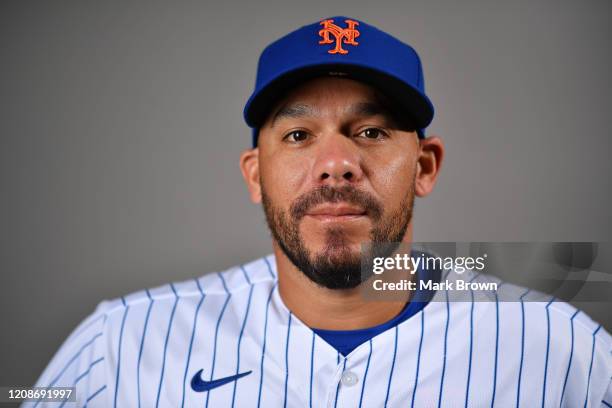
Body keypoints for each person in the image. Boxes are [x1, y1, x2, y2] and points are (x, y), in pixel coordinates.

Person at [27, 16, 610, 407]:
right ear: (256, 174)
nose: (337, 163)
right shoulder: (122, 339)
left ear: (425, 166)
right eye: (300, 134)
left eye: (372, 130)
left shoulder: (561, 345)